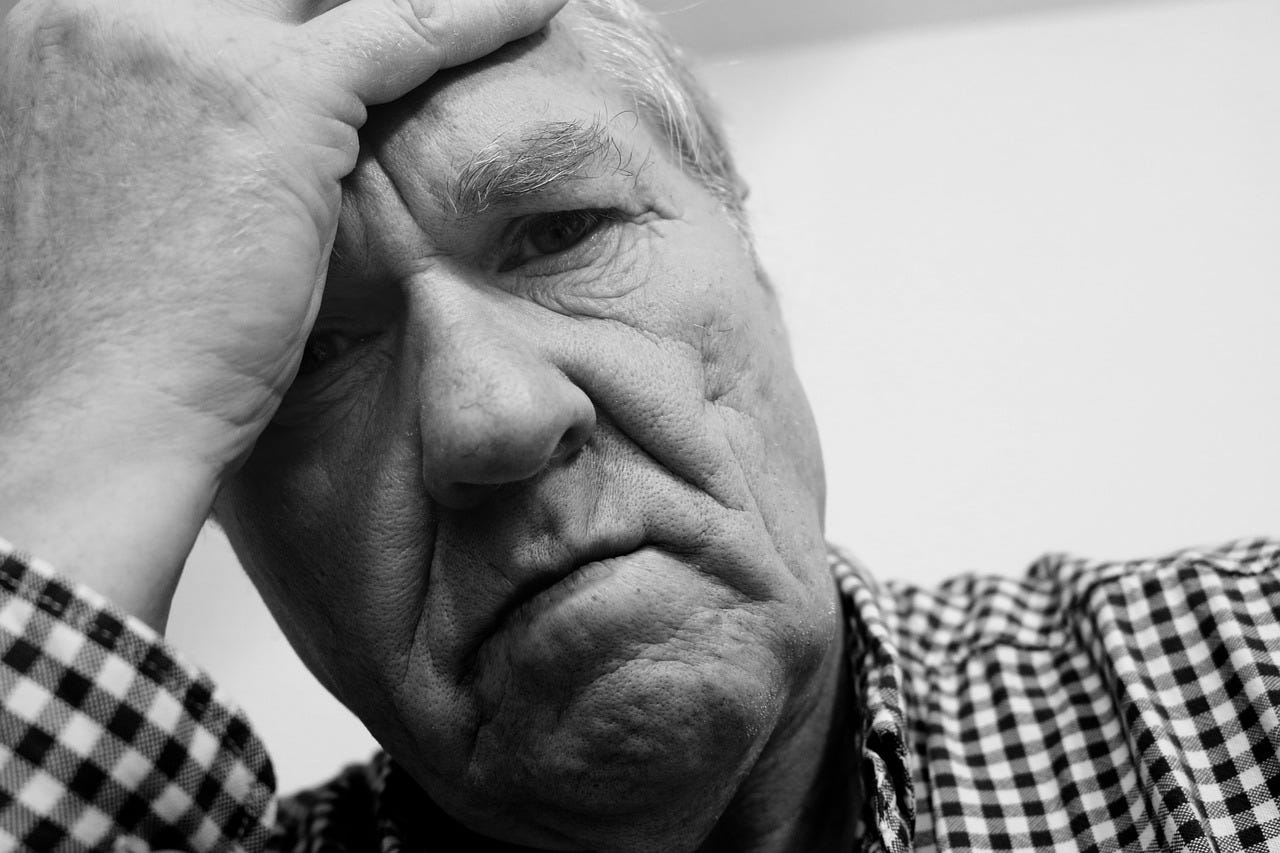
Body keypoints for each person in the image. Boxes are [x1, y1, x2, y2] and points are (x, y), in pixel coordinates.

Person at [0, 1, 1276, 852]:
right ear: (213, 486)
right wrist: (73, 432)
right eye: (314, 353)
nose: (492, 417)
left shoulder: (1241, 669)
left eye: (561, 233)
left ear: (754, 271)